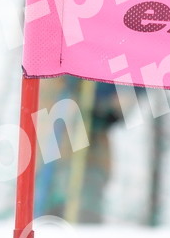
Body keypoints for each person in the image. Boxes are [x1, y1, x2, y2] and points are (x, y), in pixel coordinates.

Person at [35, 76, 123, 224]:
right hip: (53, 161)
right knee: (50, 220)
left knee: (84, 218)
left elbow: (118, 105)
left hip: (88, 164)